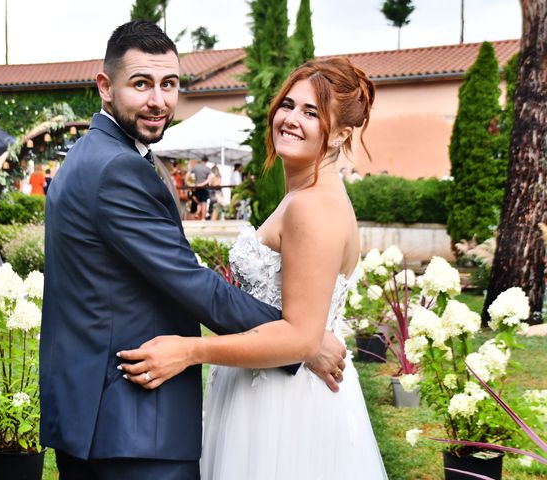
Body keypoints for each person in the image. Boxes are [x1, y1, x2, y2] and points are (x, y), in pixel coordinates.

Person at [39, 21, 347, 480]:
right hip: (131, 423)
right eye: (141, 84)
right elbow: (191, 282)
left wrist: (296, 336)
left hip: (105, 420)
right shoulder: (116, 168)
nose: (159, 101)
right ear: (105, 86)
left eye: (169, 84)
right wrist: (303, 341)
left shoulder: (93, 156)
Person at [119, 58, 388, 479]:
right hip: (266, 387)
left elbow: (299, 338)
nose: (291, 119)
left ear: (340, 133)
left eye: (311, 112)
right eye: (288, 105)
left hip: (284, 406)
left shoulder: (313, 207)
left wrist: (189, 351)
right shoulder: (304, 195)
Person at [189, 155, 211, 220]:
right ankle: (203, 218)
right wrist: (202, 184)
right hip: (204, 188)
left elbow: (188, 175)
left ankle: (197, 215)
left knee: (198, 202)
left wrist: (187, 183)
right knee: (203, 202)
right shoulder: (207, 169)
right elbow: (209, 179)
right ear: (206, 161)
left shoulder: (195, 167)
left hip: (196, 187)